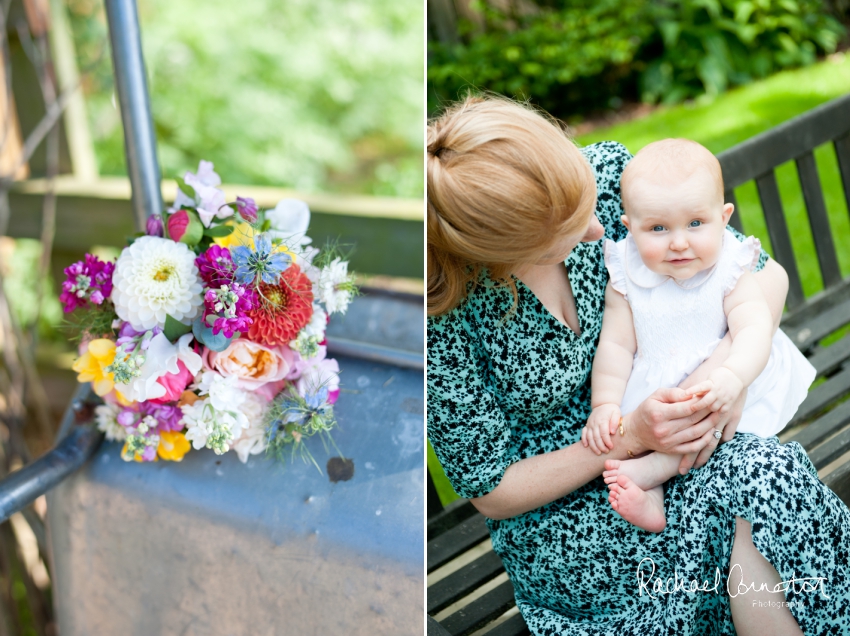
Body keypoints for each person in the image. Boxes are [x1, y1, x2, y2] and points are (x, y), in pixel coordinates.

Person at [427, 95, 850, 636]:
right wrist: (628, 437)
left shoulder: (605, 175)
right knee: (753, 498)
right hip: (573, 519)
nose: (598, 233)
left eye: (587, 208)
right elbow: (494, 489)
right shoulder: (447, 316)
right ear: (500, 255)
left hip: (678, 444)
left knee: (769, 478)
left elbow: (765, 276)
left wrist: (728, 373)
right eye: (566, 234)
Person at [582, 138, 816, 533]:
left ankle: (650, 471)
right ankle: (650, 495)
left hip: (729, 378)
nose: (678, 241)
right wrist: (604, 404)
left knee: (703, 423)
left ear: (724, 218)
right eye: (657, 228)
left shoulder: (730, 263)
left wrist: (734, 376)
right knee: (665, 419)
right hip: (657, 387)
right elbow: (617, 346)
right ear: (630, 227)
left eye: (695, 224)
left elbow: (755, 327)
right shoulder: (625, 272)